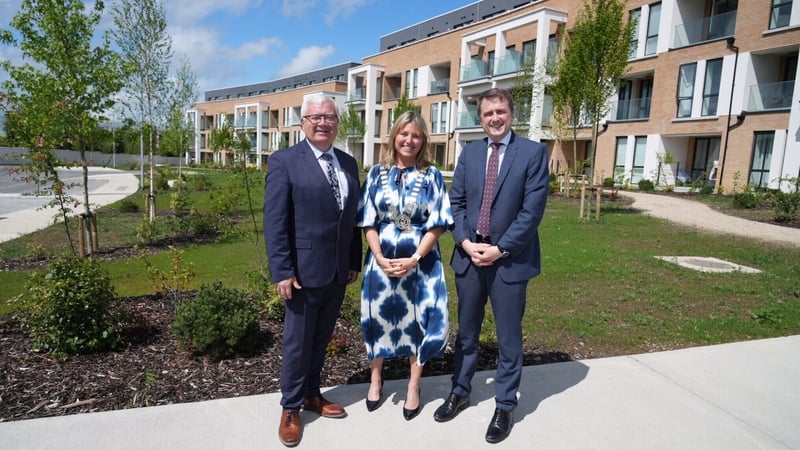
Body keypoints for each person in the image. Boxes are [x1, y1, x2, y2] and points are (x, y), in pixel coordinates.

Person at [433, 88, 549, 444]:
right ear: (480, 118)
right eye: (487, 114)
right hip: (470, 258)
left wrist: (499, 249)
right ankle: (461, 389)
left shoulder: (532, 153)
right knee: (467, 333)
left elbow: (532, 213)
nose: (494, 118)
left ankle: (504, 403)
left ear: (511, 114)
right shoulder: (468, 153)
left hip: (509, 262)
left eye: (500, 111)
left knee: (508, 337)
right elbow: (457, 203)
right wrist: (466, 243)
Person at [264, 94, 362, 448]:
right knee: (297, 342)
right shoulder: (285, 161)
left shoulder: (349, 164)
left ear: (337, 122)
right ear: (303, 122)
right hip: (302, 272)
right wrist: (282, 271)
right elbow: (275, 222)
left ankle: (311, 394)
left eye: (330, 117)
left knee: (319, 340)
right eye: (315, 117)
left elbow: (351, 220)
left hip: (337, 271)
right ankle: (290, 406)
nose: (323, 123)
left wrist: (354, 260)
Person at [357, 111, 453, 421]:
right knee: (376, 321)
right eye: (404, 134)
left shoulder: (432, 175)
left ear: (423, 140)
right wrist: (381, 258)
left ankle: (414, 386)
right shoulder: (375, 173)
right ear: (394, 136)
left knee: (418, 323)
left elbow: (437, 223)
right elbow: (367, 221)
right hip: (381, 263)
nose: (409, 140)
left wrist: (414, 258)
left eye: (416, 135)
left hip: (421, 265)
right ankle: (376, 378)